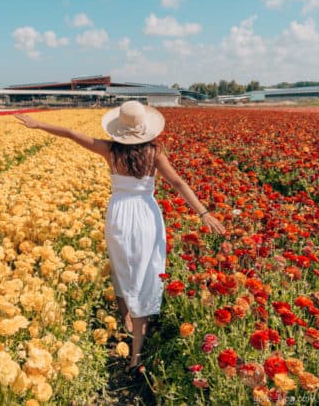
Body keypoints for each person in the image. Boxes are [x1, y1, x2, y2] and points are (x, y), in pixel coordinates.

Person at [14, 101, 225, 372]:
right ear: (145, 128)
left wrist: (39, 124)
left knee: (121, 267)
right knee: (145, 272)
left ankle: (126, 321)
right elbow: (178, 183)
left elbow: (70, 133)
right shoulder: (154, 152)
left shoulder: (109, 149)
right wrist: (203, 212)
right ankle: (136, 352)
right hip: (146, 215)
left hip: (120, 214)